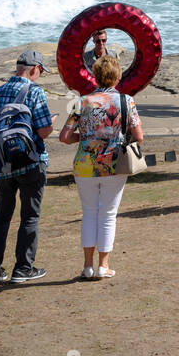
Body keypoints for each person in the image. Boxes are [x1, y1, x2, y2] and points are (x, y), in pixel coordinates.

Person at [58, 55, 143, 280]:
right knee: (108, 215)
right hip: (114, 165)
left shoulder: (81, 102)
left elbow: (65, 137)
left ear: (95, 76)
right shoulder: (127, 101)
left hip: (84, 165)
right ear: (117, 76)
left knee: (89, 213)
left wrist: (86, 137)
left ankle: (87, 266)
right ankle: (103, 265)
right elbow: (139, 136)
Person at [0, 50, 54, 286]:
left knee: (1, 217)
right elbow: (43, 131)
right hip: (31, 162)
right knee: (29, 216)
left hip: (3, 164)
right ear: (35, 69)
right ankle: (23, 268)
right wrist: (50, 123)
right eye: (41, 71)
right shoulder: (35, 92)